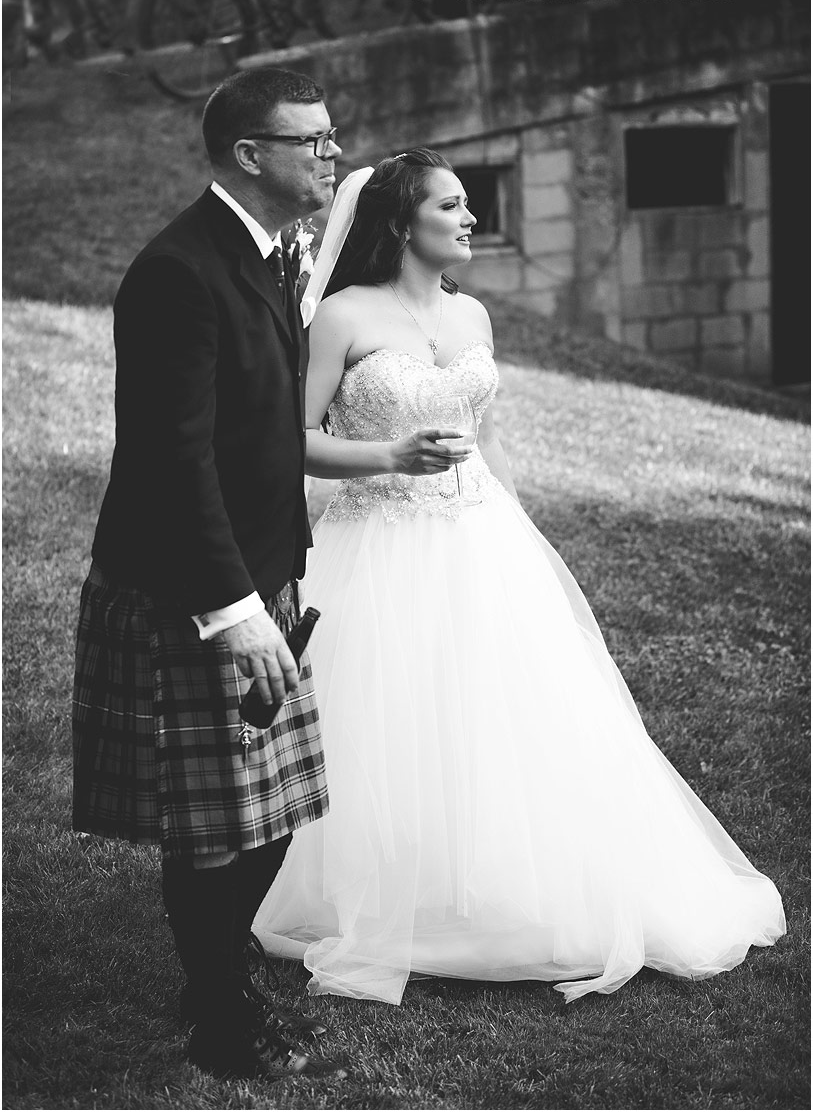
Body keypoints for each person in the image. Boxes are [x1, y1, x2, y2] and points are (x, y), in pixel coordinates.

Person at [252, 150, 786, 1006]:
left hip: (481, 537)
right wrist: (388, 456)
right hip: (381, 540)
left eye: (468, 205)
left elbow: (486, 434)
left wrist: (518, 525)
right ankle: (394, 891)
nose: (469, 219)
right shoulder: (344, 314)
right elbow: (288, 441)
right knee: (391, 720)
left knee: (505, 714)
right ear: (401, 222)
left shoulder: (473, 318)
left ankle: (506, 884)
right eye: (452, 206)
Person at [72, 67, 349, 1080]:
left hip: (259, 568)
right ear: (250, 156)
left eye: (331, 136)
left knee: (270, 811)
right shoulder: (177, 272)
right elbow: (170, 457)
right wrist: (233, 612)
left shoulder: (271, 252)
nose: (330, 152)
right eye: (310, 140)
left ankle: (218, 974)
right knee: (217, 826)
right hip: (194, 585)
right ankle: (222, 1021)